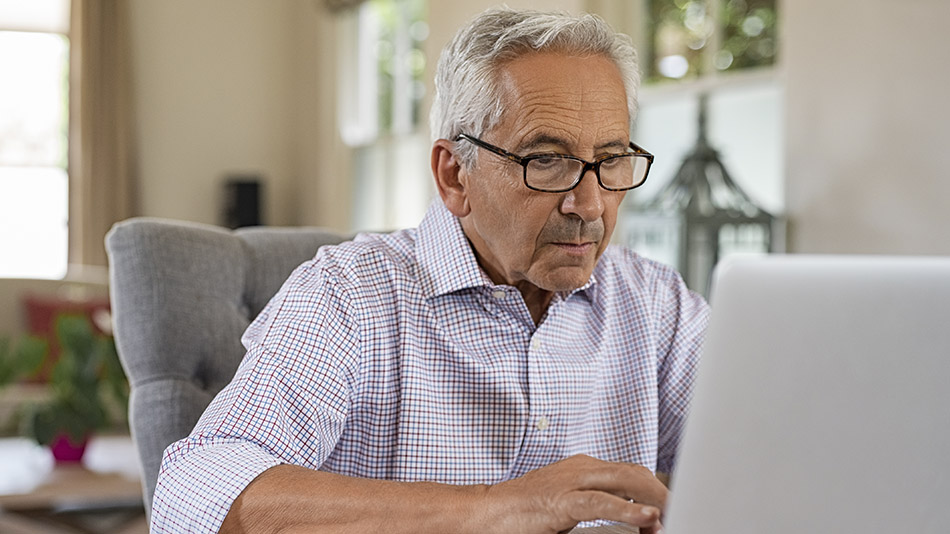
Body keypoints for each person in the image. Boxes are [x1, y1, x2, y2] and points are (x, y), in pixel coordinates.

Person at [151, 7, 708, 534]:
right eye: (546, 160)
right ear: (454, 175)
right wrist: (496, 509)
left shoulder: (657, 304)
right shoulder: (349, 293)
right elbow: (194, 493)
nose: (589, 204)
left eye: (610, 160)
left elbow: (774, 459)